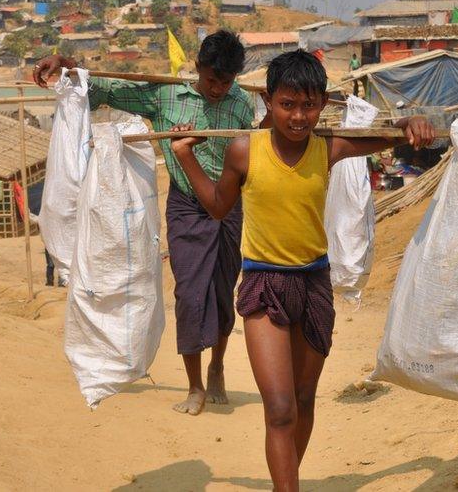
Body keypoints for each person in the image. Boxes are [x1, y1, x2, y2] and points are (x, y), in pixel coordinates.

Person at [170, 50, 435, 491]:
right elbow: (218, 208)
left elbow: (390, 138)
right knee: (279, 409)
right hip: (262, 285)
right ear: (268, 101)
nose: (298, 116)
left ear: (323, 105)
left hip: (313, 285)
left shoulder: (329, 147)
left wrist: (412, 124)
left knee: (304, 399)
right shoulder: (243, 151)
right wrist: (184, 156)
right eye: (287, 104)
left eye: (309, 105)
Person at [33, 30, 254, 416]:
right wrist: (69, 67)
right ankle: (195, 385)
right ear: (199, 69)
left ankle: (217, 366)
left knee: (222, 293)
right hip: (187, 208)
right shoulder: (167, 95)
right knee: (188, 295)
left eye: (226, 81)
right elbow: (108, 90)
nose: (218, 88)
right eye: (212, 79)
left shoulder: (241, 104)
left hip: (229, 206)